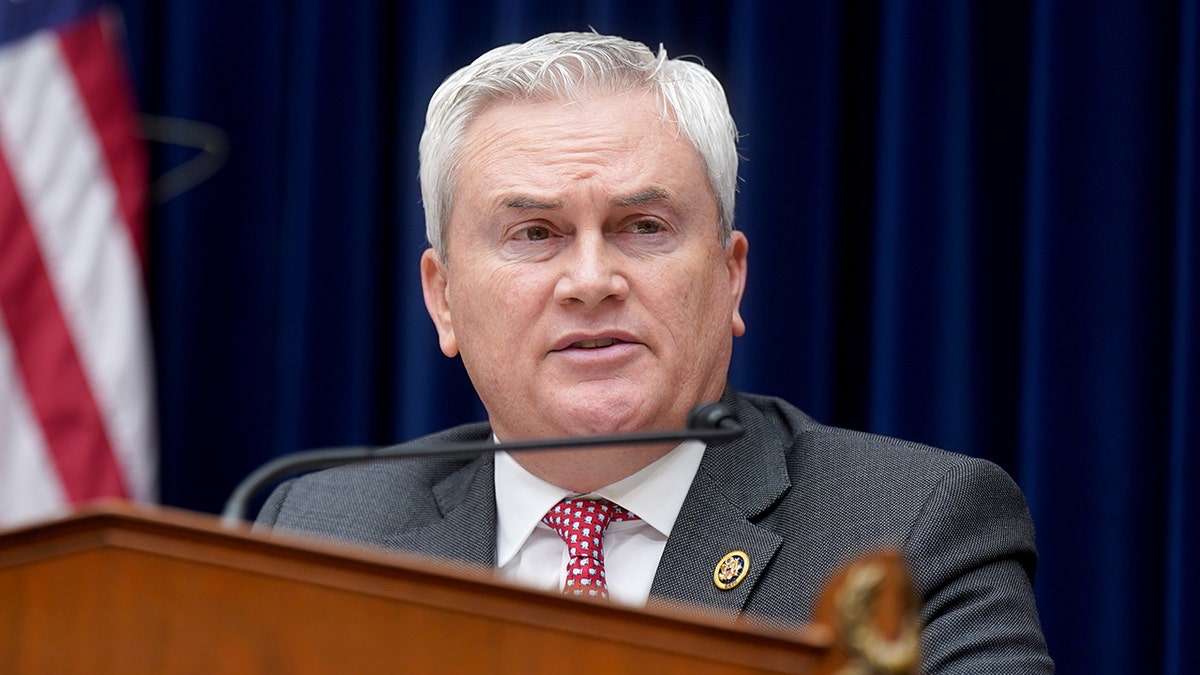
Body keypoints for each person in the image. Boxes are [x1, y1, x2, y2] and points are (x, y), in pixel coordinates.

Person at [256, 31, 1054, 673]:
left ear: (731, 277)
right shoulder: (321, 535)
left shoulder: (911, 530)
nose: (591, 281)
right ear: (443, 297)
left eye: (644, 227)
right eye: (534, 233)